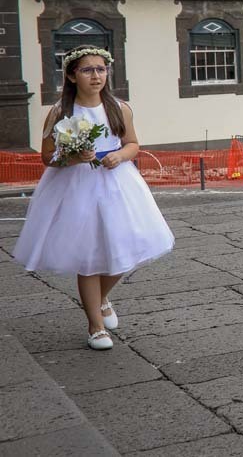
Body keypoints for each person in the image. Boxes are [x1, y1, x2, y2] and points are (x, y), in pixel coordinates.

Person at [13, 46, 174, 350]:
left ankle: (100, 299)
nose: (96, 75)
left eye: (101, 69)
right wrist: (72, 158)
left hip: (117, 183)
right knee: (88, 255)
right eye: (88, 70)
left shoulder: (119, 108)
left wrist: (119, 155)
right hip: (76, 185)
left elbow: (133, 144)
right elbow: (48, 157)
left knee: (127, 245)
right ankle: (95, 326)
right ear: (72, 76)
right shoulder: (61, 112)